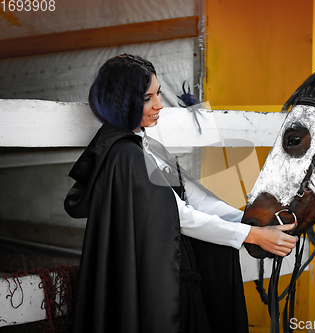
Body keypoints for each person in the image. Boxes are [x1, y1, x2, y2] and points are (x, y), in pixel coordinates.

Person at [64, 54, 298, 333]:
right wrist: (252, 235)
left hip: (176, 268)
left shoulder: (149, 147)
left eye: (159, 93)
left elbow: (194, 198)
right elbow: (179, 215)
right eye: (147, 97)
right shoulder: (125, 155)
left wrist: (250, 222)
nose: (159, 104)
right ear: (123, 100)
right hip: (161, 276)